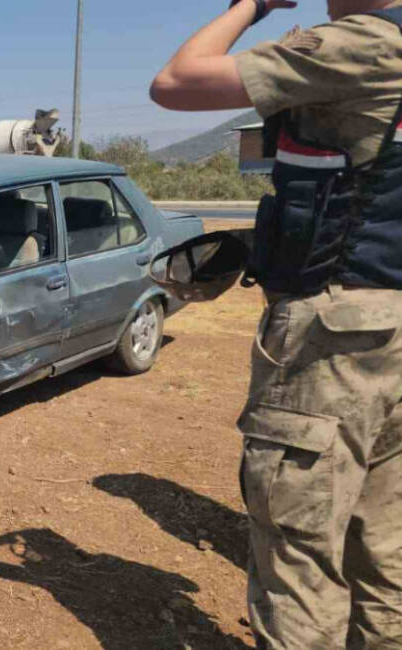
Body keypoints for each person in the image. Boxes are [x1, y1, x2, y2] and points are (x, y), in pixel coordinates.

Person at [151, 0, 402, 647]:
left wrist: (253, 4)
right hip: (392, 339)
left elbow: (175, 82)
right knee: (382, 565)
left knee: (300, 570)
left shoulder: (360, 45)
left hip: (333, 348)